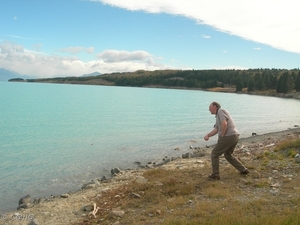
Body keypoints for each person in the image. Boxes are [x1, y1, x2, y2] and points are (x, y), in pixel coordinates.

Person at [204, 101, 249, 180]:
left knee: (214, 154)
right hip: (234, 136)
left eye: (210, 107)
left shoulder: (221, 111)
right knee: (228, 155)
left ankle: (215, 175)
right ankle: (243, 170)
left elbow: (224, 123)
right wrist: (208, 135)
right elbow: (216, 129)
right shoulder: (218, 115)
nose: (209, 109)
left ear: (215, 107)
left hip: (228, 136)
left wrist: (222, 135)